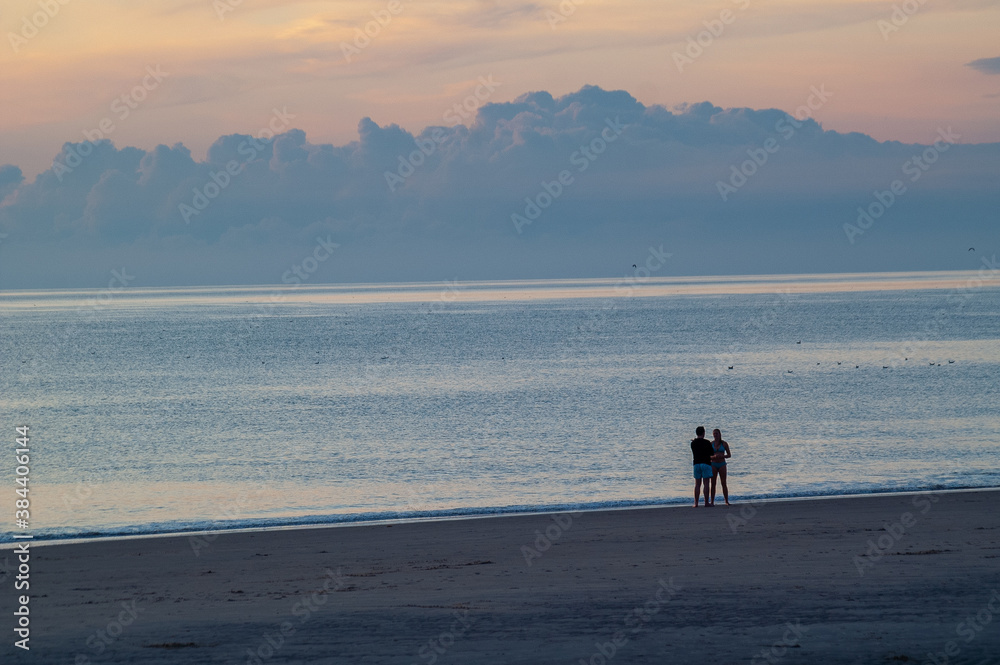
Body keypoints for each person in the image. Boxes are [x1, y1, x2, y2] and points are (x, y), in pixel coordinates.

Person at [690, 426, 714, 507]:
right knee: (706, 483)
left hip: (696, 463)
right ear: (703, 433)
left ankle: (696, 503)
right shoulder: (707, 442)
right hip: (706, 463)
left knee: (697, 484)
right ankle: (706, 502)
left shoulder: (693, 443)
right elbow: (712, 453)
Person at [710, 428, 732, 506]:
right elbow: (708, 456)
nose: (715, 435)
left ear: (719, 434)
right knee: (713, 483)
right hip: (714, 464)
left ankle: (726, 500)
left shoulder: (724, 444)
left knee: (723, 483)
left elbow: (729, 455)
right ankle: (712, 501)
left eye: (716, 433)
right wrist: (714, 456)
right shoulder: (711, 444)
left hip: (722, 464)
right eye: (714, 434)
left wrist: (722, 456)